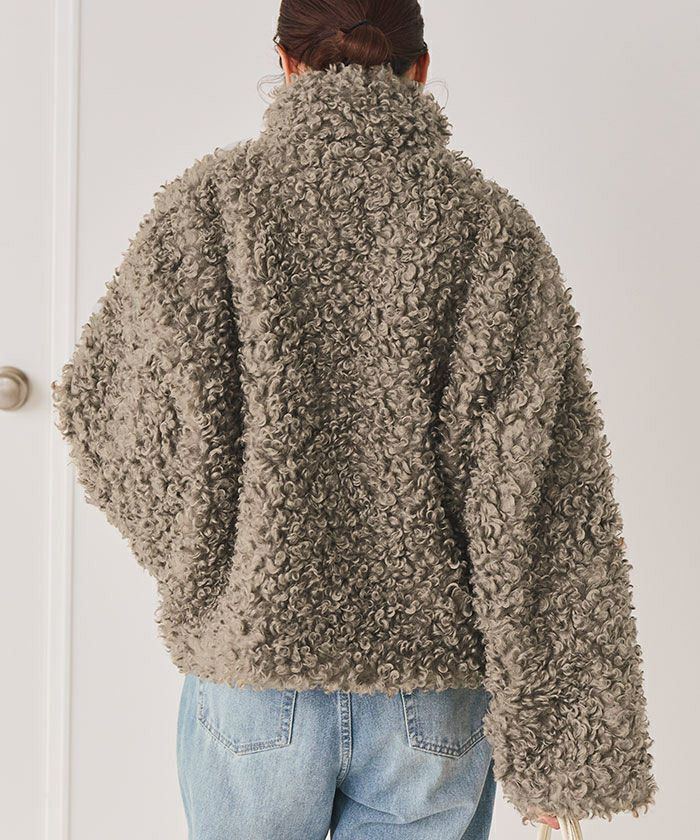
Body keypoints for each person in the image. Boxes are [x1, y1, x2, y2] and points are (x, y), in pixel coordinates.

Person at [51, 2, 656, 839]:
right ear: (421, 69)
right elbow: (544, 506)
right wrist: (559, 748)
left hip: (254, 682)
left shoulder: (209, 208)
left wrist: (218, 573)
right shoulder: (491, 231)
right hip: (429, 696)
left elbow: (107, 415)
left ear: (286, 62)